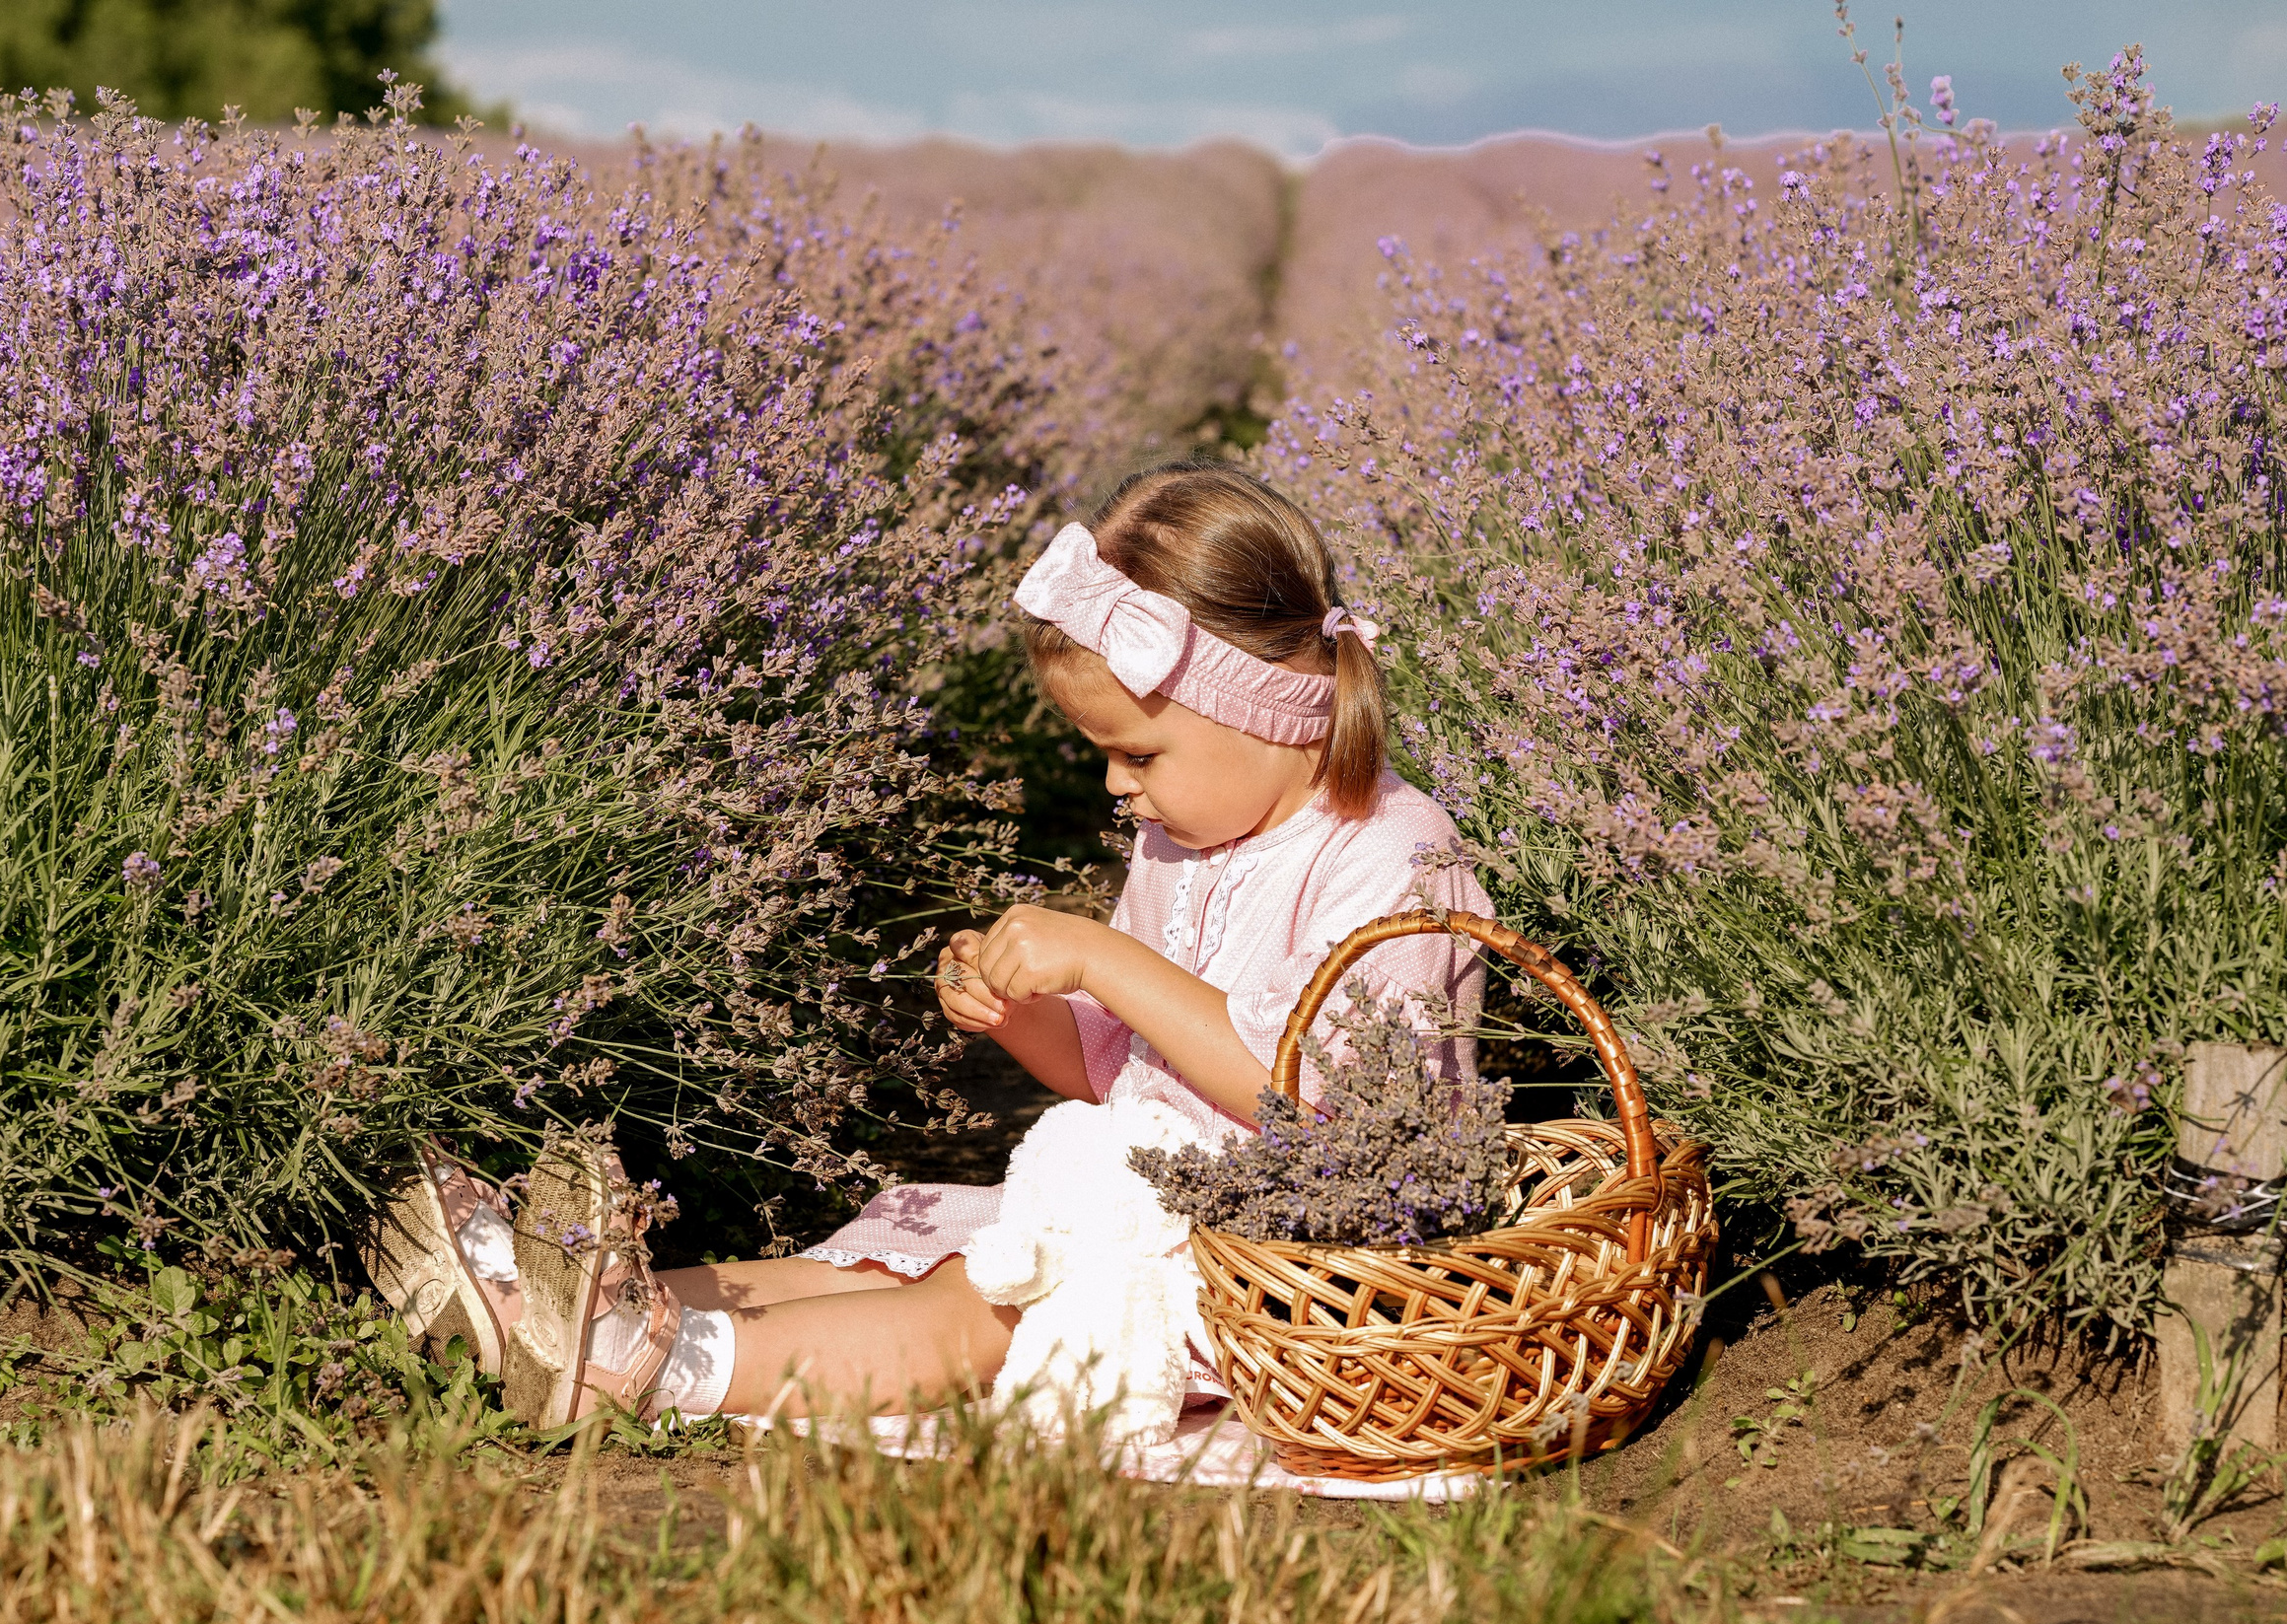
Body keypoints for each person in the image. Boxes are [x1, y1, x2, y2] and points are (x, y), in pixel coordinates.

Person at [369, 461, 1492, 1428]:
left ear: (1264, 714)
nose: (1115, 785)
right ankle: (565, 1303)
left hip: (1298, 1266)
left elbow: (1321, 1105)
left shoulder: (1393, 855)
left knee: (984, 1303)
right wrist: (1031, 1020)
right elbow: (1123, 1080)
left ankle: (653, 1371)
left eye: (1136, 754)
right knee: (876, 1252)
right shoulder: (1190, 836)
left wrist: (1104, 962)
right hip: (1147, 1202)